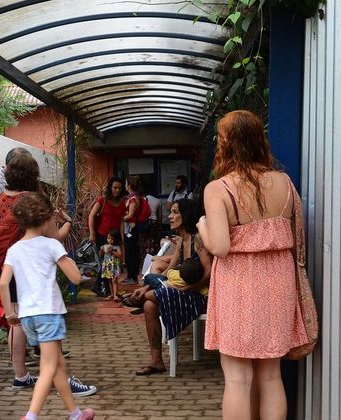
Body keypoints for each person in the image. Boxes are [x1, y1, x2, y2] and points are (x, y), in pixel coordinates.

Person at [197, 110, 308, 420]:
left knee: (238, 378)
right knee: (271, 376)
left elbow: (220, 246)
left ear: (227, 143)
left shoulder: (218, 189)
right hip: (278, 282)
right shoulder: (284, 183)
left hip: (239, 287)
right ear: (260, 140)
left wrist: (203, 225)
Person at [0, 153, 92, 396]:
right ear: (32, 175)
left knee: (17, 318)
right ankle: (57, 377)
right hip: (34, 267)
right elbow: (53, 238)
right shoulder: (36, 200)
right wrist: (68, 223)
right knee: (45, 317)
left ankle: (20, 375)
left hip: (8, 262)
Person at [0, 192, 95, 420]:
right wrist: (68, 259)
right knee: (49, 367)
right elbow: (76, 278)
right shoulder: (51, 245)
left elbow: (3, 283)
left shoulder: (14, 249)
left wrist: (11, 313)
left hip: (28, 316)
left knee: (58, 365)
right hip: (48, 313)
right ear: (45, 220)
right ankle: (31, 415)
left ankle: (76, 414)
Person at [126, 199, 211, 375]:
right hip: (180, 292)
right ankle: (157, 361)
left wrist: (188, 289)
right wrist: (147, 287)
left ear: (186, 215)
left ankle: (139, 301)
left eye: (175, 212)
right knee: (149, 304)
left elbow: (209, 272)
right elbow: (168, 272)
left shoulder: (198, 239)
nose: (170, 217)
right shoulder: (181, 241)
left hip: (200, 296)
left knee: (150, 298)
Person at [123, 176, 152, 284]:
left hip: (132, 228)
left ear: (129, 185)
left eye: (126, 183)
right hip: (129, 228)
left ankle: (133, 276)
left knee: (132, 252)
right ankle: (130, 275)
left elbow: (130, 214)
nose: (125, 186)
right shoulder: (132, 197)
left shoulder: (133, 199)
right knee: (130, 251)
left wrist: (119, 218)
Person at [98, 230, 122, 302]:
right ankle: (112, 294)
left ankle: (115, 295)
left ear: (116, 239)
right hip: (107, 265)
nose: (110, 240)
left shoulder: (116, 247)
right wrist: (101, 250)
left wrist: (112, 251)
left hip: (114, 265)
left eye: (112, 239)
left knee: (114, 280)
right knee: (109, 280)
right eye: (108, 238)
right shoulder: (105, 246)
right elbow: (100, 255)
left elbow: (120, 255)